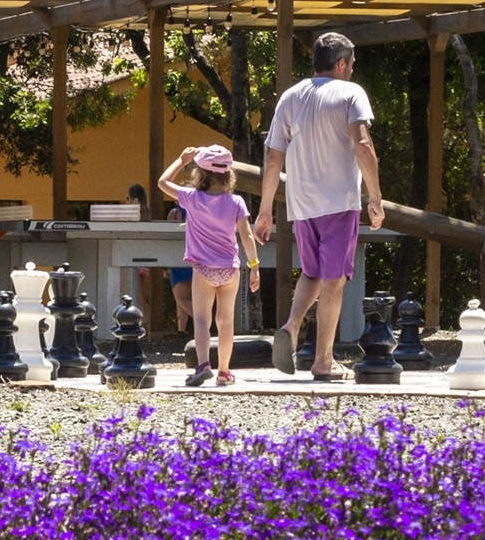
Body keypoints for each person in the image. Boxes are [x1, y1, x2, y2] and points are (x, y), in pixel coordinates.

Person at [252, 31, 384, 380]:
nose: (352, 71)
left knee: (312, 274)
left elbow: (273, 159)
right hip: (338, 201)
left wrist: (265, 211)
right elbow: (363, 145)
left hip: (301, 204)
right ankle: (323, 361)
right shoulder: (350, 93)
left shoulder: (291, 97)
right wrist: (375, 197)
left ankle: (293, 325)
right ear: (341, 64)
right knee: (333, 281)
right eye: (351, 64)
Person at [156, 144, 260, 387]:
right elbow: (246, 235)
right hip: (229, 269)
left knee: (202, 320)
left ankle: (203, 365)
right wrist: (254, 265)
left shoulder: (191, 198)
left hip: (203, 268)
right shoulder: (236, 202)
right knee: (226, 321)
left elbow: (162, 182)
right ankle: (224, 372)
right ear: (229, 174)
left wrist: (181, 159)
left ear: (199, 174)